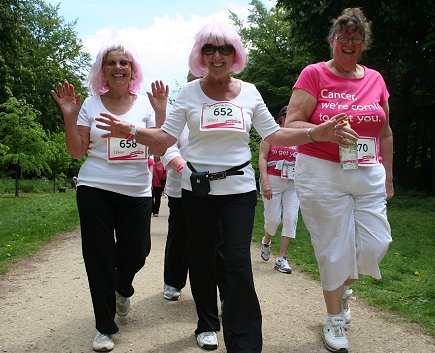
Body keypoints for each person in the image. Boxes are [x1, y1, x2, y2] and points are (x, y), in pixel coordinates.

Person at [95, 22, 354, 353]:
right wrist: (131, 131)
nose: (217, 56)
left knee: (235, 262)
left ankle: (244, 343)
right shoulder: (188, 94)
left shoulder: (249, 92)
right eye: (209, 49)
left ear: (235, 54)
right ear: (200, 55)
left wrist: (314, 133)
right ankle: (206, 323)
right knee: (201, 258)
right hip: (197, 190)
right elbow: (164, 139)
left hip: (238, 190)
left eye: (224, 49)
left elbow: (274, 135)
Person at [285, 8, 393, 353]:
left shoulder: (375, 79)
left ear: (363, 44)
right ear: (332, 41)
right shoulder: (314, 74)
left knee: (377, 244)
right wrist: (322, 132)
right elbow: (292, 125)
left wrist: (389, 177)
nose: (349, 42)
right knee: (333, 249)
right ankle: (334, 317)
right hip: (321, 172)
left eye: (356, 38)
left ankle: (343, 284)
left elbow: (386, 132)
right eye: (342, 36)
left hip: (367, 170)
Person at [50, 42, 166, 352]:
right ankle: (104, 326)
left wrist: (160, 113)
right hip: (95, 188)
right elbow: (77, 151)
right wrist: (70, 116)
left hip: (136, 190)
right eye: (111, 62)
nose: (118, 67)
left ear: (132, 70)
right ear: (103, 70)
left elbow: (159, 148)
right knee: (98, 257)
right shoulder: (89, 104)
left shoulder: (145, 105)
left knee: (137, 251)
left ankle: (120, 286)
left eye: (124, 63)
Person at [160, 72, 227, 304]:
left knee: (217, 241)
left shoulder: (221, 109)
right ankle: (173, 281)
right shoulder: (179, 109)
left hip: (217, 187)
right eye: (196, 78)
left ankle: (221, 289)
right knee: (180, 235)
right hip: (182, 186)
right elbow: (166, 145)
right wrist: (183, 168)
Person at [259, 106, 300, 274]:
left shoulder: (299, 137)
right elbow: (262, 157)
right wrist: (265, 182)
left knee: (291, 219)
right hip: (273, 181)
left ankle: (282, 258)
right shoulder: (271, 134)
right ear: (281, 117)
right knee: (273, 220)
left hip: (293, 183)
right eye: (288, 114)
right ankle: (266, 241)